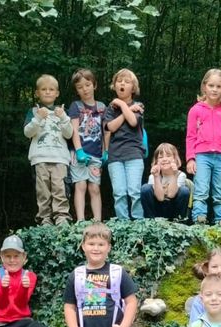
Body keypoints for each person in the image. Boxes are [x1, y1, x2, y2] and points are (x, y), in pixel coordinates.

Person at [186, 68, 221, 227]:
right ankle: (199, 220)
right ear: (204, 87)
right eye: (211, 85)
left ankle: (220, 222)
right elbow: (190, 136)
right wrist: (190, 158)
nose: (214, 89)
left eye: (218, 86)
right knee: (201, 190)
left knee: (219, 192)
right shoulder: (195, 110)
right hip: (202, 156)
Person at [24, 74, 73, 225]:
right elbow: (27, 133)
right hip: (40, 158)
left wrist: (63, 117)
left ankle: (62, 217)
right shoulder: (33, 112)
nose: (47, 92)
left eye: (51, 89)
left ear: (57, 93)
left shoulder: (61, 112)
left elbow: (69, 133)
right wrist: (38, 118)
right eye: (43, 89)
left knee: (60, 189)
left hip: (60, 158)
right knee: (43, 191)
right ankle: (44, 219)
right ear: (37, 93)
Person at [102, 68, 147, 220]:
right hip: (115, 156)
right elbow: (110, 127)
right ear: (114, 85)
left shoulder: (138, 105)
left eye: (127, 82)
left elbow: (133, 122)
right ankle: (123, 223)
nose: (122, 84)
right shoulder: (110, 108)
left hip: (134, 154)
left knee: (134, 191)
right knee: (119, 192)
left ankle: (138, 223)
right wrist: (124, 107)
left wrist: (121, 104)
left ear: (133, 88)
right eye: (119, 81)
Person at [69, 68, 107, 222]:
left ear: (94, 85)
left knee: (94, 188)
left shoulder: (102, 107)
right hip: (79, 154)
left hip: (96, 154)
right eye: (80, 87)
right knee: (81, 185)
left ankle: (97, 220)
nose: (84, 89)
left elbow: (106, 131)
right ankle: (80, 220)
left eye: (87, 85)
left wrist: (106, 151)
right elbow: (74, 130)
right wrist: (78, 150)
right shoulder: (75, 106)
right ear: (76, 90)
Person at [140, 142, 191, 220]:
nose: (164, 159)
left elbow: (171, 195)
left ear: (175, 159)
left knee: (184, 190)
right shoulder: (152, 176)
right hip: (157, 210)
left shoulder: (181, 175)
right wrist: (156, 177)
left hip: (173, 209)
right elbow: (160, 198)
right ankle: (150, 221)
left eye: (168, 156)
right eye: (160, 157)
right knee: (145, 188)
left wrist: (174, 175)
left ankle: (179, 221)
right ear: (156, 161)